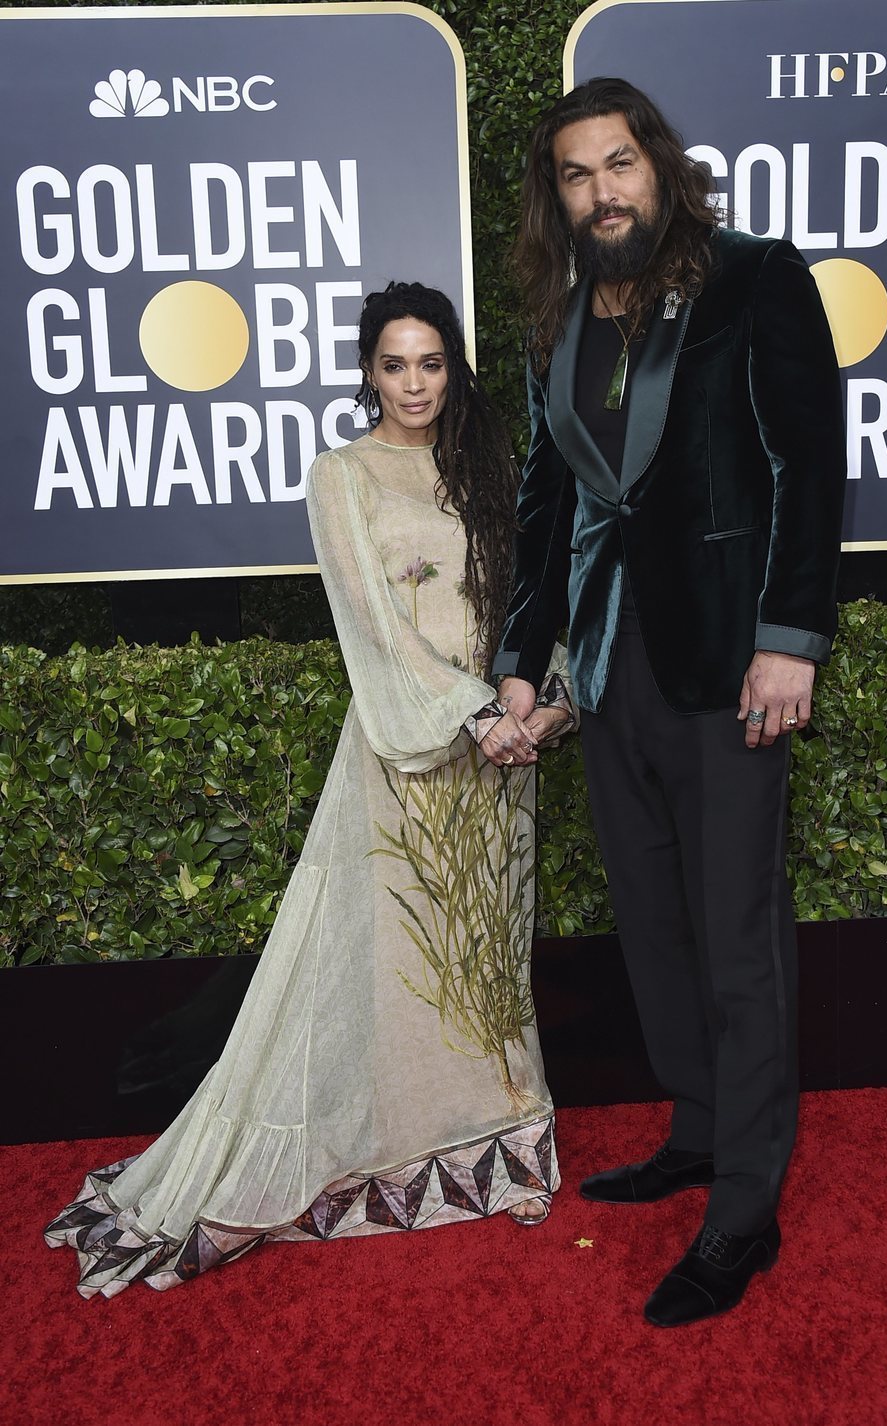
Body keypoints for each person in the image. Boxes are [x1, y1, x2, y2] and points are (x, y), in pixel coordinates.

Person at [45, 282, 574, 1297]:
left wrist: (541, 707)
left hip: (503, 755)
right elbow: (370, 623)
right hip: (409, 751)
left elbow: (531, 596)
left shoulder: (488, 468)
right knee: (391, 959)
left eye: (430, 362)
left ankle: (499, 1141)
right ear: (366, 370)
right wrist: (473, 715)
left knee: (485, 947)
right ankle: (375, 1142)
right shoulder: (342, 474)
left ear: (452, 367)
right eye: (393, 364)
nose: (413, 383)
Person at [493, 78, 846, 1326]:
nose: (601, 193)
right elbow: (547, 511)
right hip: (608, 668)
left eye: (618, 165)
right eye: (576, 176)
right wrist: (521, 661)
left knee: (736, 939)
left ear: (658, 167)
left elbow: (809, 463)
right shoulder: (560, 322)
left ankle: (744, 1209)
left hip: (728, 666)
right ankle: (698, 1129)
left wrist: (787, 639)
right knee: (652, 923)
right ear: (559, 198)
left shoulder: (754, 277)